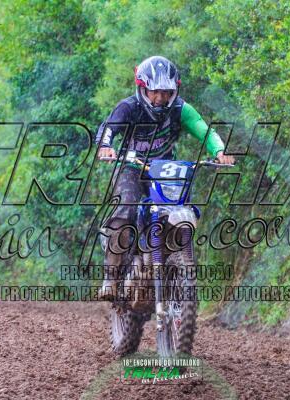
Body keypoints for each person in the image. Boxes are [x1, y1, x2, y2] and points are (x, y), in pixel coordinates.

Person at [95, 55, 234, 300]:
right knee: (125, 209)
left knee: (182, 208)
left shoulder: (180, 109)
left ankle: (174, 263)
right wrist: (105, 146)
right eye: (155, 92)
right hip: (131, 167)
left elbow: (204, 130)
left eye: (166, 92)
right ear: (143, 88)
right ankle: (111, 277)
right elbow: (109, 128)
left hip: (165, 169)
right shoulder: (129, 107)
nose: (160, 98)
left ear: (174, 90)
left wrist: (219, 151)